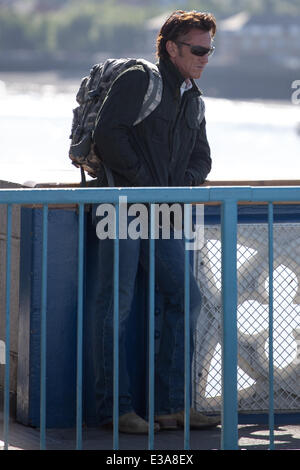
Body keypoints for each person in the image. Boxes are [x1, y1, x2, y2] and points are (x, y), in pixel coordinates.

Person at [92, 10, 220, 434]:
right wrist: (147, 184)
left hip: (162, 210)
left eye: (209, 50)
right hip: (122, 205)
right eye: (198, 49)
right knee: (117, 304)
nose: (205, 58)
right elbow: (108, 135)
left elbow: (203, 157)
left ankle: (173, 407)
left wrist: (179, 183)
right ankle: (115, 408)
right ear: (171, 47)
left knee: (188, 298)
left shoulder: (193, 96)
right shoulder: (139, 80)